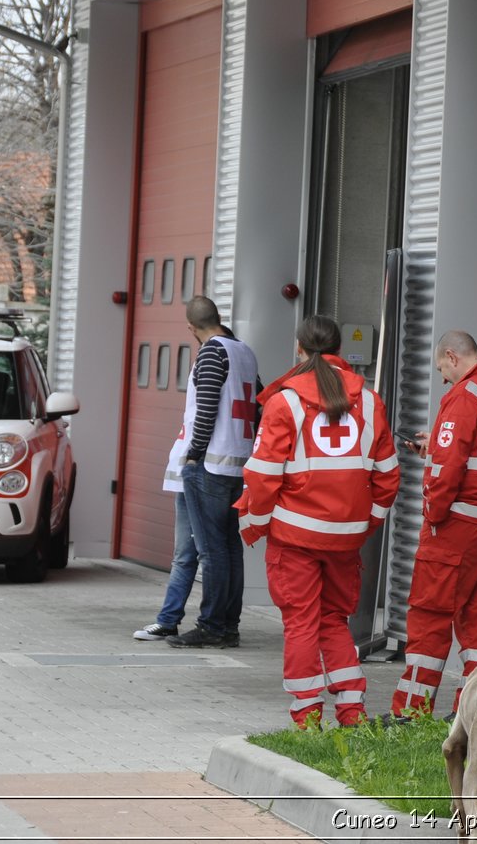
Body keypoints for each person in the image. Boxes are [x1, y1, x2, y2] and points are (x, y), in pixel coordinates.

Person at [235, 315, 401, 729]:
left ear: (299, 348)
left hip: (295, 535)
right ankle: (351, 708)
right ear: (339, 348)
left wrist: (254, 522)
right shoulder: (369, 399)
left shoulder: (285, 400)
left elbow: (262, 475)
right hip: (346, 539)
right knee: (332, 620)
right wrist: (366, 524)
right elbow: (388, 476)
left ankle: (307, 717)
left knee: (302, 622)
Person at [389, 330, 477, 719]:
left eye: (441, 371)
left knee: (429, 612)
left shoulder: (467, 394)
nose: (443, 379)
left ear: (452, 356)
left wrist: (433, 515)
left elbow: (447, 472)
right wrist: (435, 445)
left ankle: (411, 712)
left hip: (458, 524)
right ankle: (476, 710)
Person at [167, 296, 259, 649]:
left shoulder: (211, 352)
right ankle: (229, 625)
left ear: (191, 328)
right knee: (230, 547)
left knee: (211, 550)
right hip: (239, 461)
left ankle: (212, 626)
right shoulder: (244, 351)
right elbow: (258, 403)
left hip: (210, 464)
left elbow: (206, 407)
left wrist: (193, 455)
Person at [131, 432, 199, 640]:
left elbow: (204, 423)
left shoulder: (203, 398)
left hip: (198, 474)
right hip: (211, 472)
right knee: (218, 554)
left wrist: (192, 458)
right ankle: (221, 624)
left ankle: (169, 620)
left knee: (186, 556)